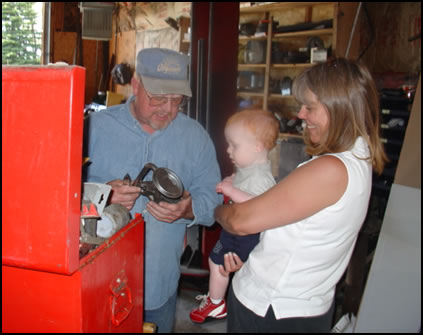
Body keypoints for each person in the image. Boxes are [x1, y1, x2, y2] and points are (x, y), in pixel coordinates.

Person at [214, 58, 388, 333]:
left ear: (339, 108)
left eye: (310, 107)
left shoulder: (330, 170)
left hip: (272, 310)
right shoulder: (360, 155)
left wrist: (219, 208)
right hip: (306, 305)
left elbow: (238, 220)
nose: (301, 115)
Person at [84, 48, 222, 333]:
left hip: (159, 286)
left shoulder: (196, 138)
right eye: (158, 97)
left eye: (177, 100)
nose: (168, 109)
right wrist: (101, 194)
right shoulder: (93, 129)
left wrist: (189, 208)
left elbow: (214, 200)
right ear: (136, 86)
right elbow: (59, 196)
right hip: (96, 281)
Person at [189, 109, 280, 323]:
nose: (228, 150)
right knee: (216, 261)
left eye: (235, 145)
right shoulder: (248, 168)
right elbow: (240, 181)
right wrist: (231, 182)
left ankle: (216, 302)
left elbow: (259, 206)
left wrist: (231, 192)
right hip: (235, 230)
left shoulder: (261, 177)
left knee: (220, 263)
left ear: (258, 146)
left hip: (245, 235)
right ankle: (216, 300)